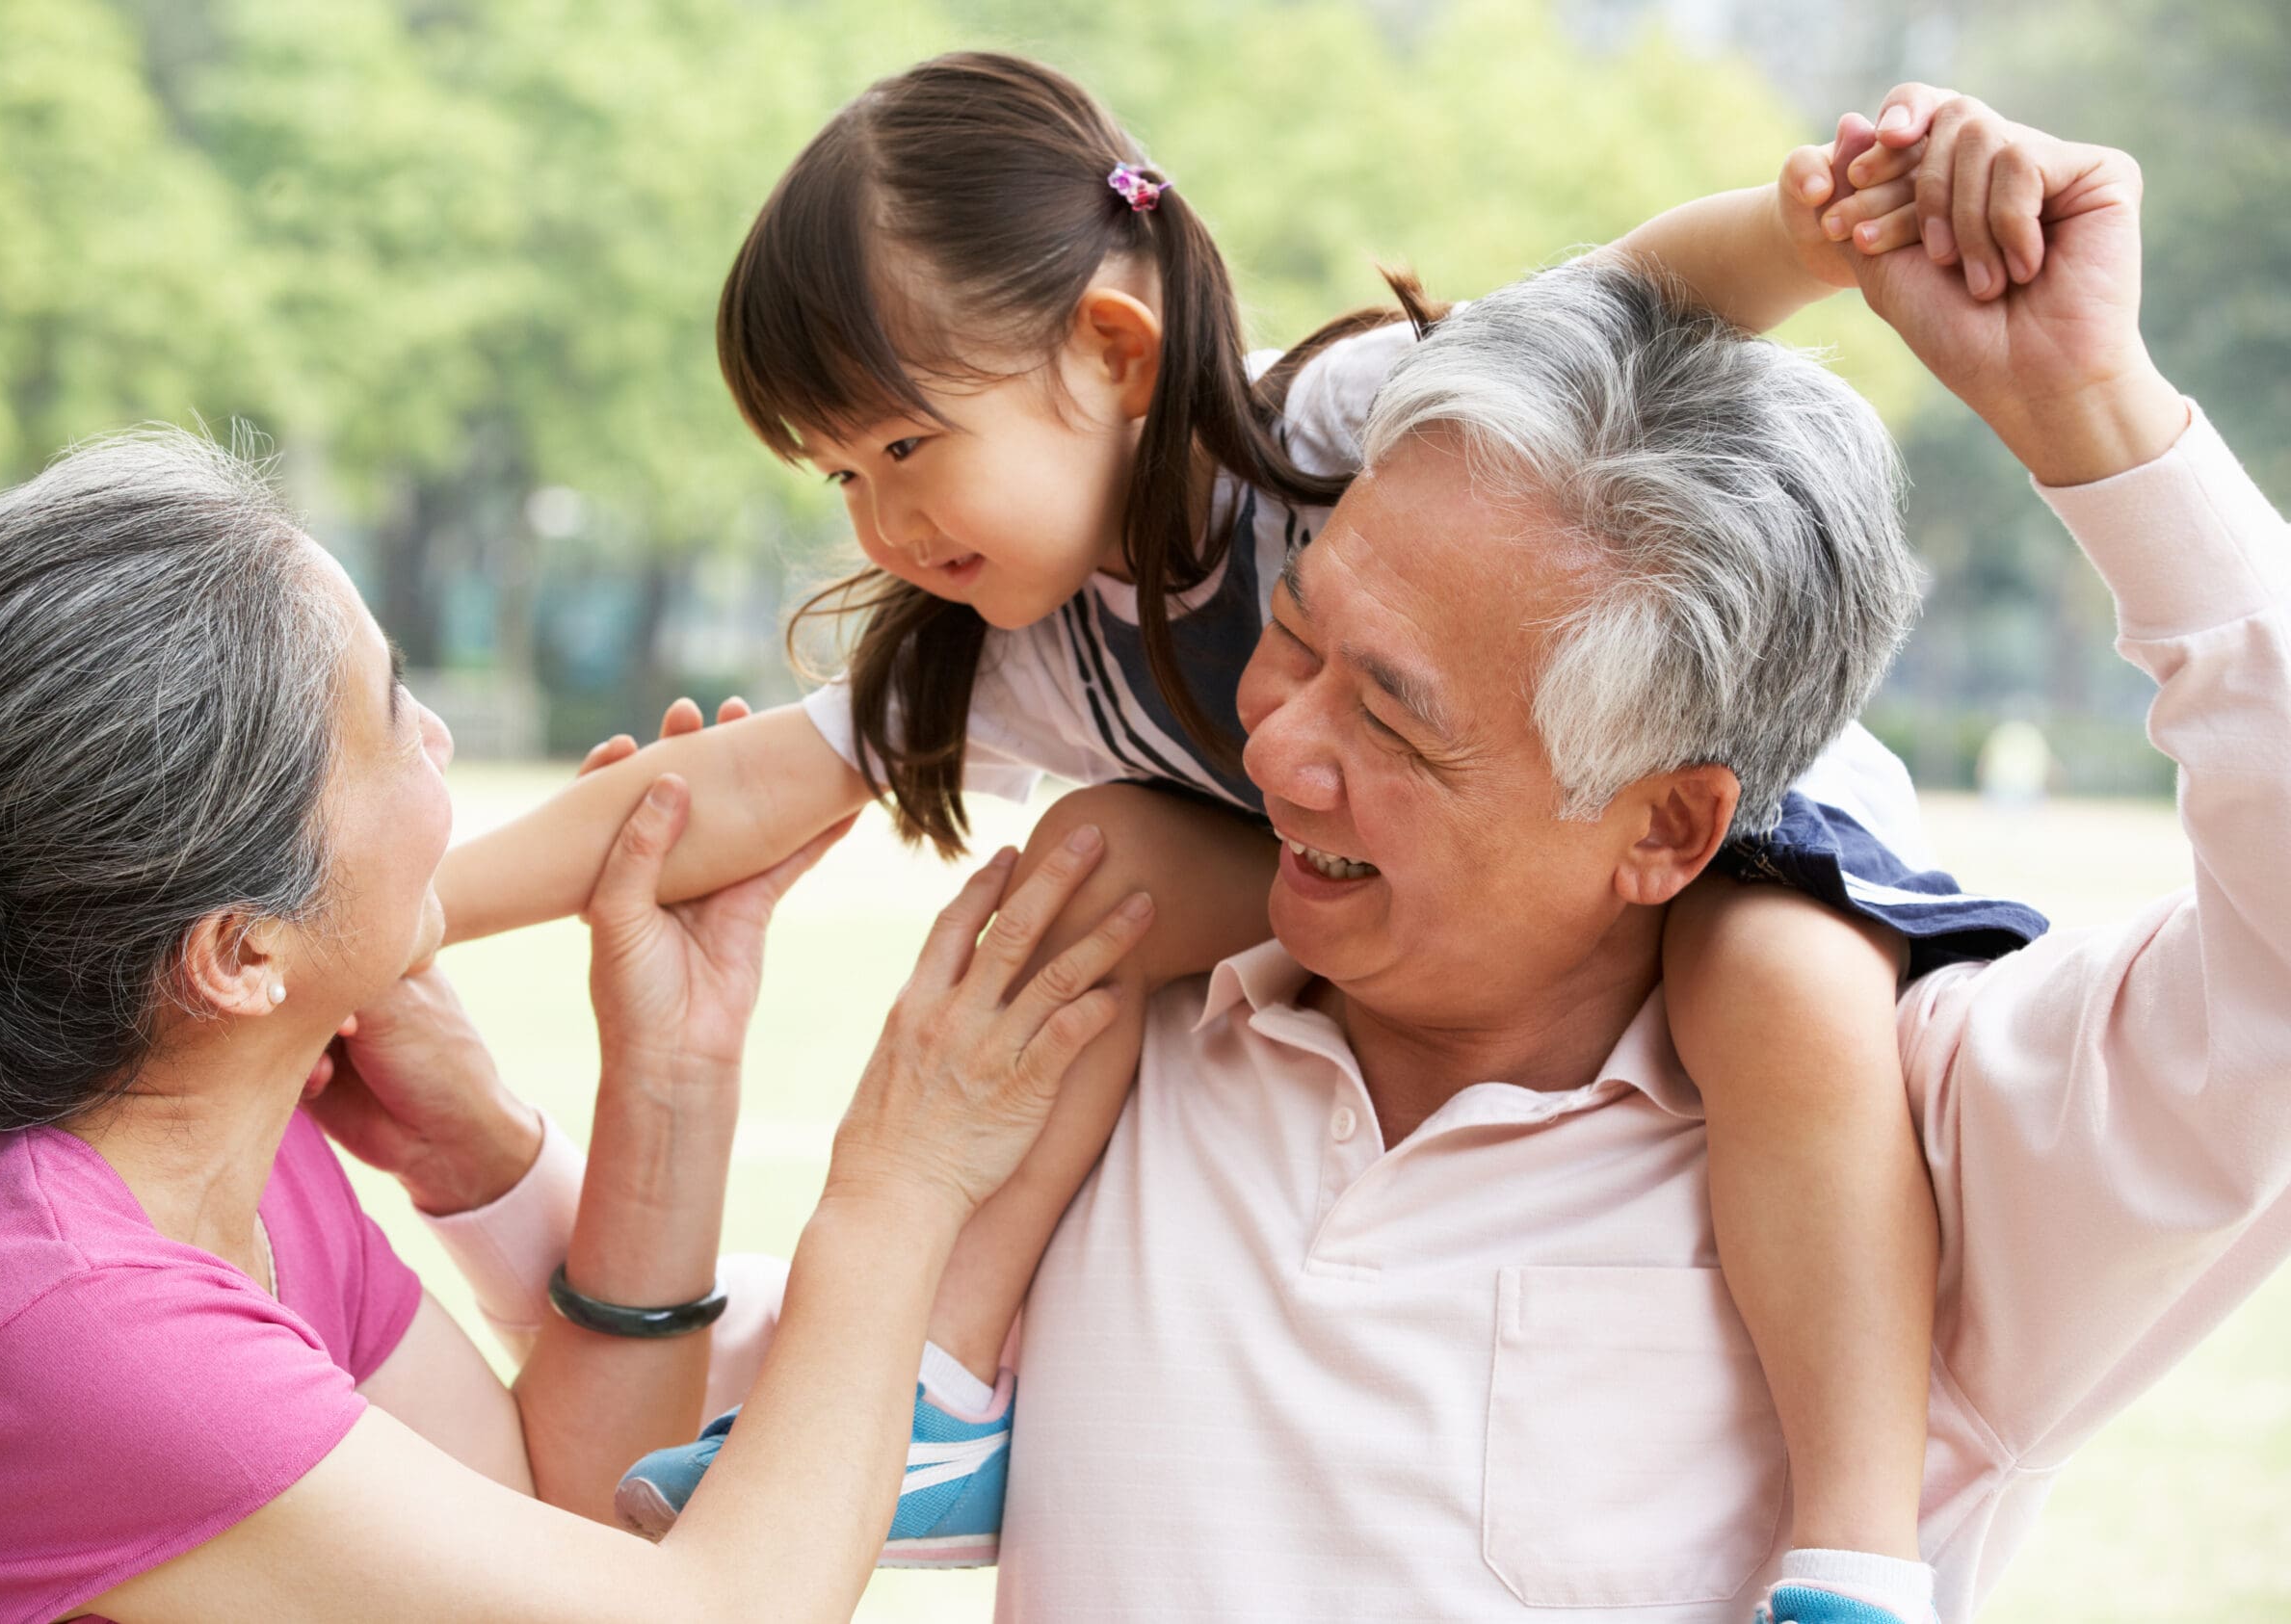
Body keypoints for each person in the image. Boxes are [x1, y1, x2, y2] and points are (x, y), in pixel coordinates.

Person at [440, 53, 2041, 1578]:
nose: (882, 519)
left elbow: (1630, 299)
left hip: (1708, 798)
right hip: (1400, 857)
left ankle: (1853, 1547)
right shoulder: (1034, 642)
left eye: (909, 444)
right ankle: (947, 1386)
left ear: (1113, 351)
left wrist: (1807, 232)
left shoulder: (1333, 426)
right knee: (1082, 881)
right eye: (838, 476)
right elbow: (723, 792)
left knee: (1775, 982)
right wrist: (399, 912)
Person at [0, 430, 1154, 1623]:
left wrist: (669, 1078)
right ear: (237, 952)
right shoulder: (63, 1324)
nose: (444, 739)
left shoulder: (209, 1153)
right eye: (393, 714)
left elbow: (558, 1514)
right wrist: (902, 1187)